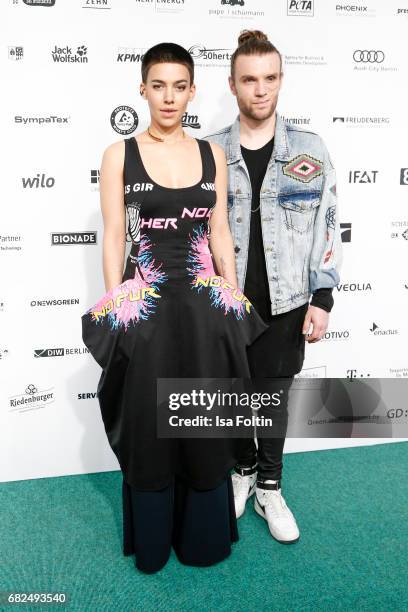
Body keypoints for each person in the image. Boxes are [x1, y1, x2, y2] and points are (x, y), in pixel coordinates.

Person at [81, 42, 268, 573]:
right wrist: (120, 307)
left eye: (179, 85)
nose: (168, 97)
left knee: (205, 423)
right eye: (157, 85)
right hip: (147, 316)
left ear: (192, 90)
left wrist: (233, 298)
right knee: (150, 427)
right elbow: (114, 234)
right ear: (142, 89)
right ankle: (156, 542)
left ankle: (203, 538)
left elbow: (220, 232)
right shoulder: (119, 154)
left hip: (205, 314)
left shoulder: (212, 155)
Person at [203, 30, 343, 543]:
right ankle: (241, 472)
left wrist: (322, 298)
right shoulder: (210, 151)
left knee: (273, 397)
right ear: (233, 85)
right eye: (249, 80)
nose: (260, 90)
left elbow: (328, 225)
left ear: (280, 80)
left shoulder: (310, 148)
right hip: (227, 303)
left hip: (288, 301)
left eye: (269, 78)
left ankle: (270, 486)